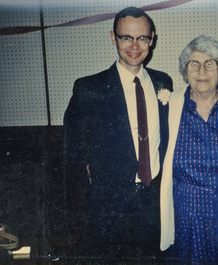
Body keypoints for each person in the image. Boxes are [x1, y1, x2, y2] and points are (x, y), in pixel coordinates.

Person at [63, 6, 172, 262]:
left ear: (151, 39)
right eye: (126, 37)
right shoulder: (89, 88)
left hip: (153, 204)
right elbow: (71, 147)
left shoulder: (163, 82)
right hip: (108, 211)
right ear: (113, 37)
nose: (134, 45)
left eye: (142, 38)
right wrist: (95, 182)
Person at [160, 35, 218, 265]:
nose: (202, 70)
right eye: (194, 64)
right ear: (185, 71)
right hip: (186, 215)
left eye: (210, 63)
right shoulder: (170, 106)